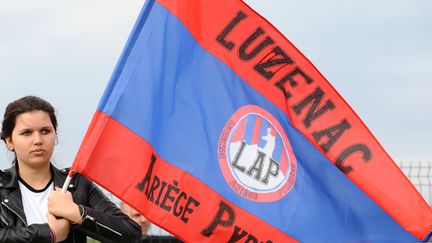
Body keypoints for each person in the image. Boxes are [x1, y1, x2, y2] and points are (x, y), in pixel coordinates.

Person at [0, 96, 141, 242]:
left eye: (45, 131)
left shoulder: (77, 184)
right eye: (26, 133)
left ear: (55, 136)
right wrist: (49, 234)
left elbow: (131, 233)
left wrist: (78, 213)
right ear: (9, 141)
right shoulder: (2, 189)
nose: (38, 140)